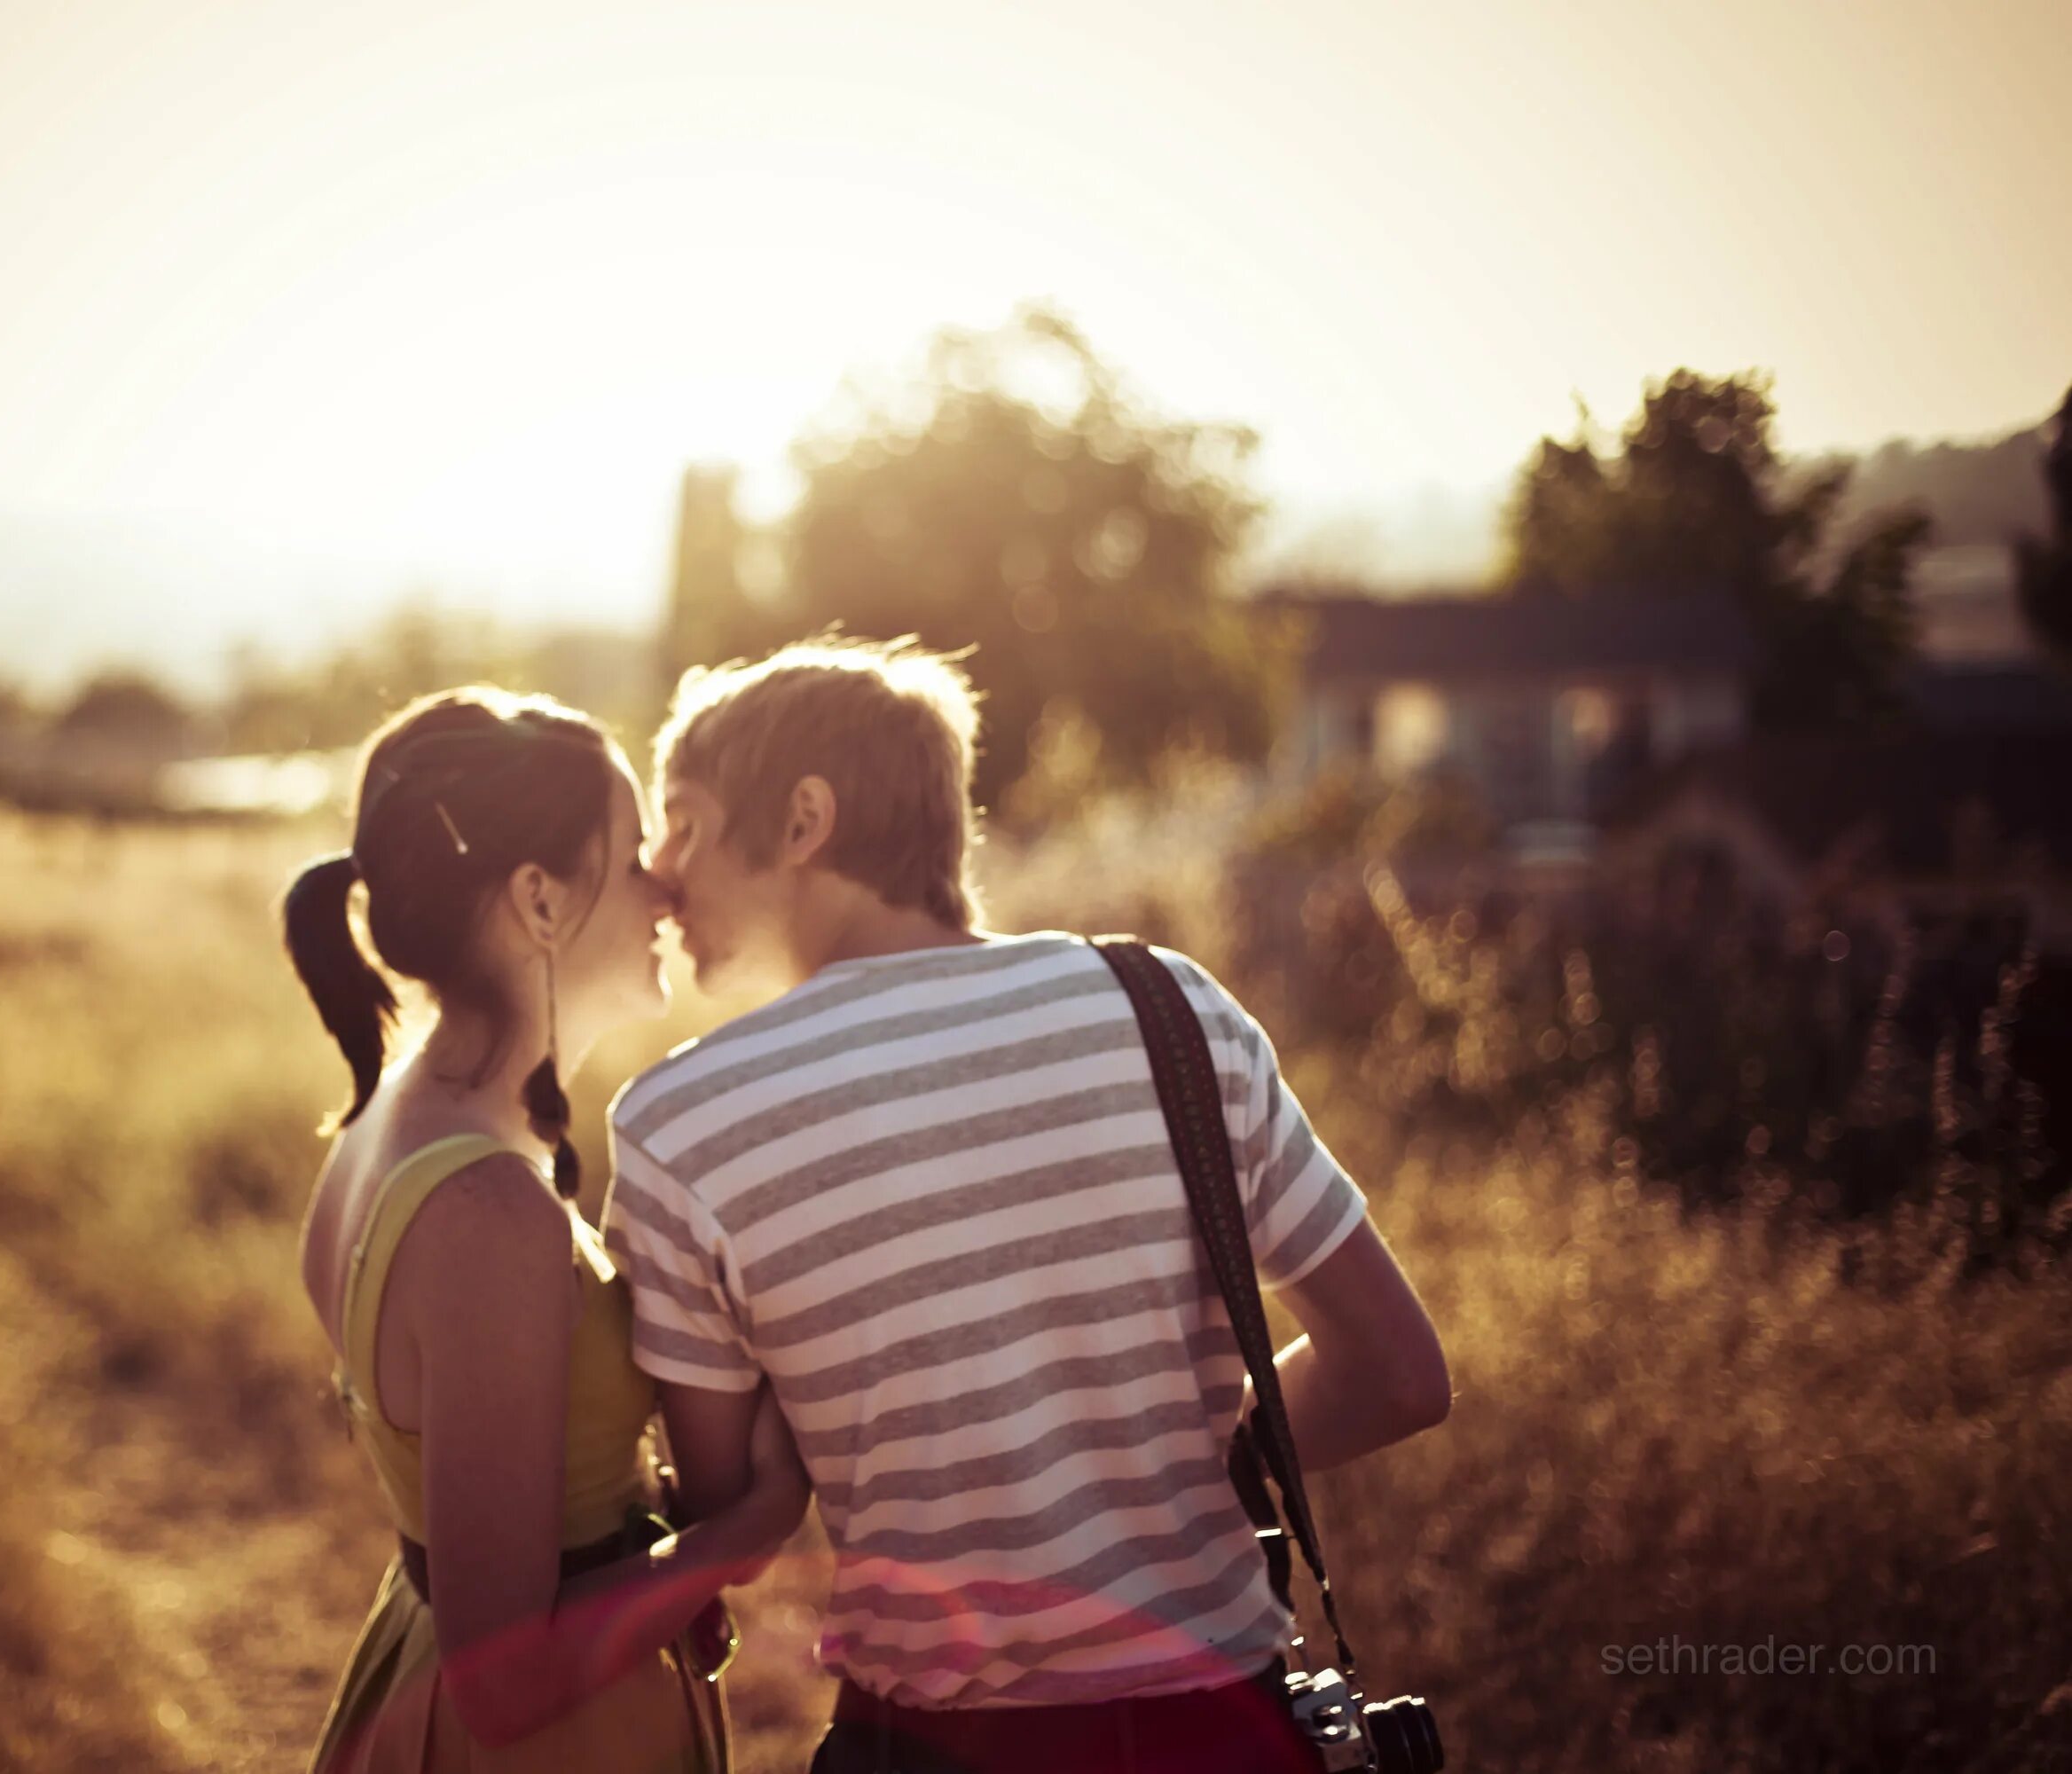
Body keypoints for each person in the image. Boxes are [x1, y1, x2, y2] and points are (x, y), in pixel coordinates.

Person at [603, 640, 1453, 1774]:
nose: (658, 870)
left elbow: (726, 1503)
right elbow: (1398, 1372)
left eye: (684, 821)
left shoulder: (682, 1121)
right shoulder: (1172, 1008)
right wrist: (1190, 1453)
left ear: (805, 818)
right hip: (1228, 1734)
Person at [283, 687, 811, 1774]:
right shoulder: (489, 1214)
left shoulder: (384, 1119)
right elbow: (507, 1677)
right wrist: (739, 1537)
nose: (664, 884)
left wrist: (644, 1569)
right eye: (628, 858)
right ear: (538, 898)